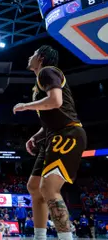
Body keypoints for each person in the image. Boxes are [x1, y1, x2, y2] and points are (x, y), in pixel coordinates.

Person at [13, 45, 87, 240]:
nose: (29, 56)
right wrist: (36, 137)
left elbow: (55, 101)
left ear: (41, 57)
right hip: (53, 134)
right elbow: (51, 117)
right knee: (34, 186)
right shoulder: (39, 81)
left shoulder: (48, 71)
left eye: (33, 53)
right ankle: (40, 237)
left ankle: (65, 238)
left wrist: (26, 106)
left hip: (68, 132)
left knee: (49, 188)